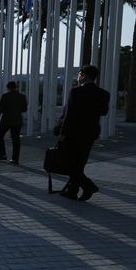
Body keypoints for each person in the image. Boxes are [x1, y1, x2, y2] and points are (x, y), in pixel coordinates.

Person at [56, 65, 110, 201]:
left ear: (84, 75)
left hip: (74, 133)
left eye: (79, 74)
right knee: (80, 163)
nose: (78, 76)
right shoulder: (103, 93)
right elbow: (104, 112)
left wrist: (62, 132)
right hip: (90, 133)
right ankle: (72, 191)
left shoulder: (75, 92)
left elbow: (69, 114)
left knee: (70, 164)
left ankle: (88, 186)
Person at [0, 81, 28, 164]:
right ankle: (15, 159)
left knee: (0, 136)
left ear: (8, 88)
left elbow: (0, 108)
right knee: (16, 140)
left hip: (5, 120)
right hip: (17, 121)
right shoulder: (22, 96)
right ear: (16, 87)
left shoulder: (5, 96)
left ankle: (2, 154)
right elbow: (24, 109)